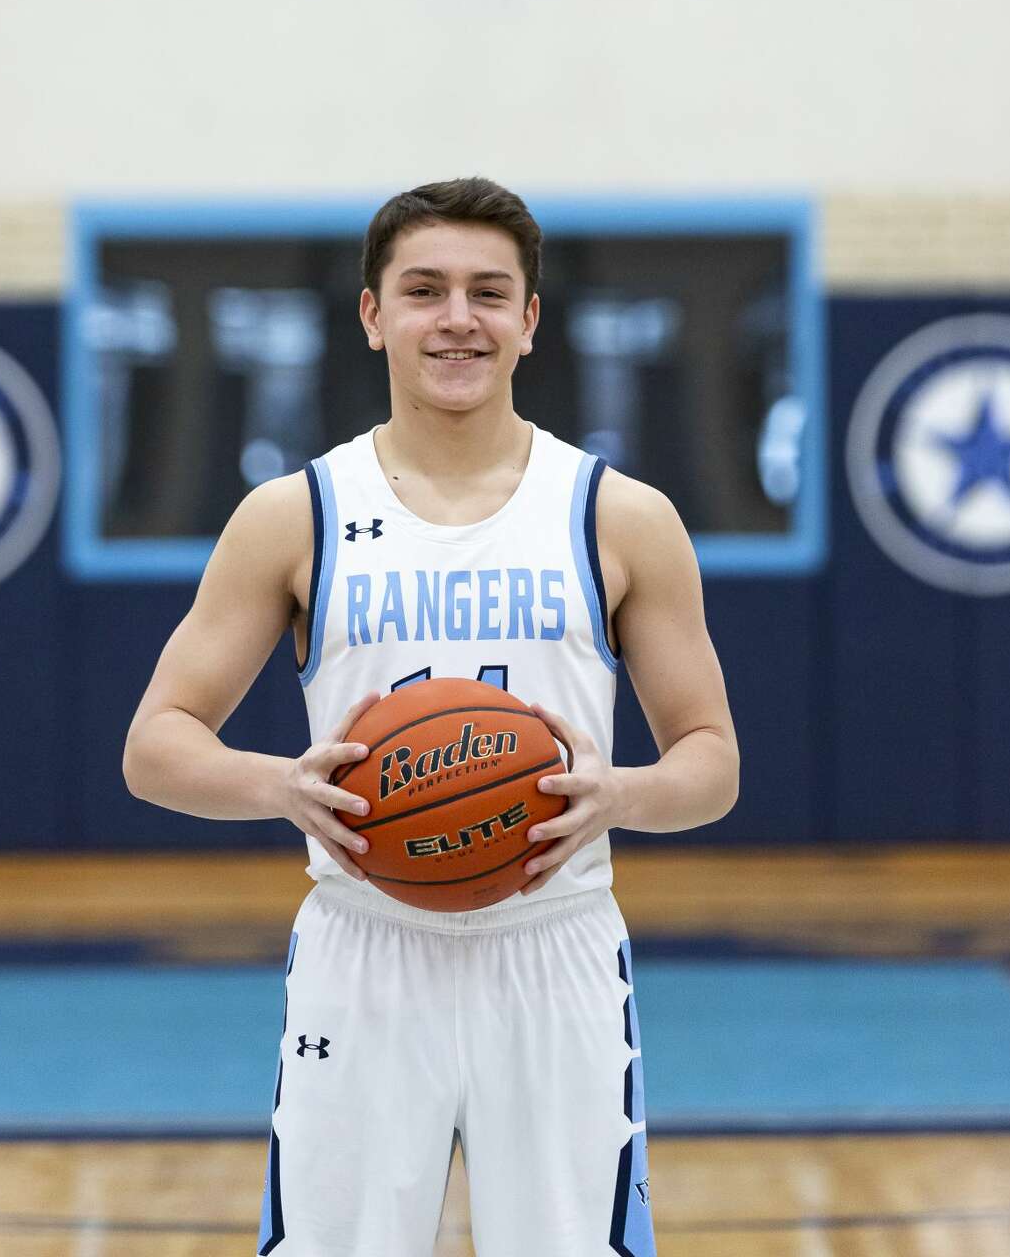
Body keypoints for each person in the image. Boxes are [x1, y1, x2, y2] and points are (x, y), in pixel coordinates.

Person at [123, 177, 740, 1257]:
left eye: (488, 293)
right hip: (365, 952)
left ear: (530, 319)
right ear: (372, 314)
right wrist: (280, 784)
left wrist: (622, 795)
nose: (458, 318)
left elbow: (713, 762)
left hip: (555, 951)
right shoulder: (293, 514)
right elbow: (156, 744)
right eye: (425, 290)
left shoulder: (620, 516)